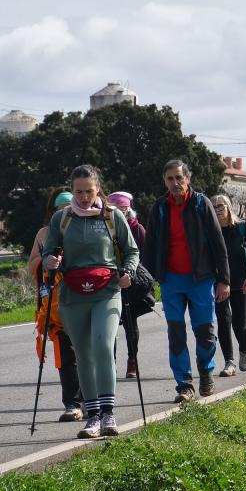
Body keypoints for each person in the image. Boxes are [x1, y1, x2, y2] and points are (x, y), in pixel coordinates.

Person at [43, 165, 139, 438]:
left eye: (89, 191)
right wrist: (51, 261)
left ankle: (109, 413)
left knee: (102, 346)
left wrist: (128, 272)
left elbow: (132, 250)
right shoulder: (61, 219)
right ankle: (93, 417)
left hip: (107, 291)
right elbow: (50, 251)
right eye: (79, 191)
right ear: (71, 190)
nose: (84, 197)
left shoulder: (112, 216)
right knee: (83, 354)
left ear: (98, 189)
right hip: (72, 295)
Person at [142, 159, 230, 403]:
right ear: (165, 181)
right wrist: (147, 280)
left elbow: (217, 242)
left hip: (201, 279)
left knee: (205, 333)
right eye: (170, 179)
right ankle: (184, 385)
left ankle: (205, 371)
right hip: (171, 281)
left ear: (188, 179)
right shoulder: (160, 207)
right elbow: (149, 247)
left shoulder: (201, 203)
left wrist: (224, 280)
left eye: (179, 178)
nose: (175, 183)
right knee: (176, 334)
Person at [28, 187, 82, 422]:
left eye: (67, 208)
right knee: (65, 355)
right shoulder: (43, 233)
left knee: (87, 354)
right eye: (59, 209)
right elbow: (32, 266)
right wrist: (45, 260)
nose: (63, 212)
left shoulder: (85, 229)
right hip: (55, 305)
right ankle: (72, 403)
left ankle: (92, 401)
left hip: (83, 301)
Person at [212, 194, 246, 377]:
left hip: (241, 283)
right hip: (219, 283)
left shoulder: (241, 227)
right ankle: (229, 362)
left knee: (240, 324)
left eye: (221, 206)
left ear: (229, 207)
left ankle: (244, 350)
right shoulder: (211, 231)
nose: (217, 210)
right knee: (223, 322)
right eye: (214, 207)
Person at [107, 191, 145, 379]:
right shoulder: (103, 225)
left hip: (130, 283)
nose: (121, 211)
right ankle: (110, 363)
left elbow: (143, 254)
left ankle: (132, 361)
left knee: (130, 325)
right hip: (108, 282)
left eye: (124, 208)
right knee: (109, 327)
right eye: (117, 208)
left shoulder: (138, 229)